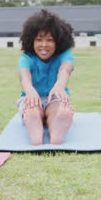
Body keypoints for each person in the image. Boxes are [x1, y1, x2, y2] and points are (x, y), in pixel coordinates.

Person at [17, 9, 75, 146]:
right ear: (31, 41)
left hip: (54, 97)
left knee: (57, 108)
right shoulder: (26, 58)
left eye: (50, 40)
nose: (44, 45)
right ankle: (35, 131)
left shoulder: (65, 55)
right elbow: (24, 76)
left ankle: (57, 130)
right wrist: (30, 91)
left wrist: (59, 86)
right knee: (32, 109)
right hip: (32, 98)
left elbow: (65, 70)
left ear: (59, 42)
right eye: (39, 40)